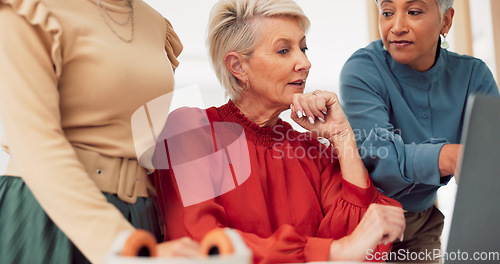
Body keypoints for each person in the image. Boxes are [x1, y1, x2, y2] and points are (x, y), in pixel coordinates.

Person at [153, 0, 405, 263]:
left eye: (303, 48)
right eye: (284, 50)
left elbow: (365, 245)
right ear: (238, 67)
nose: (305, 62)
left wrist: (342, 136)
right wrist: (329, 251)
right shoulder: (191, 131)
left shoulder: (310, 150)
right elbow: (200, 244)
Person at [0, 0, 199, 263]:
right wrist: (119, 241)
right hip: (51, 214)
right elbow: (35, 144)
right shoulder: (29, 10)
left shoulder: (154, 22)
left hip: (142, 217)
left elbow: (145, 134)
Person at [339, 0, 499, 261]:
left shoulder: (474, 75)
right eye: (387, 13)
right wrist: (447, 156)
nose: (397, 26)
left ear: (446, 21)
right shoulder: (362, 69)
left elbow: (492, 155)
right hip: (363, 222)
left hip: (424, 221)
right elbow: (379, 157)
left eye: (414, 12)